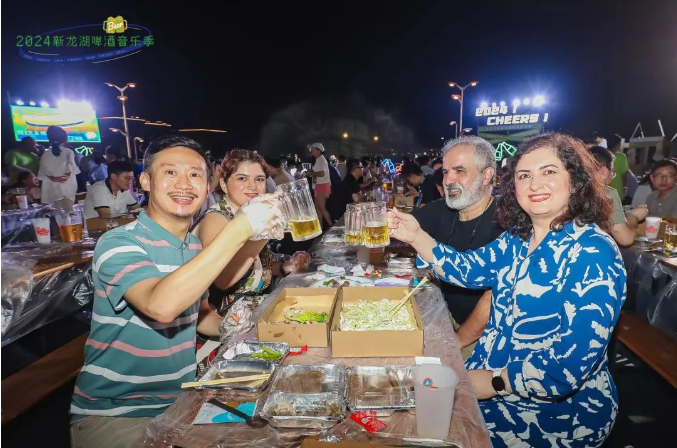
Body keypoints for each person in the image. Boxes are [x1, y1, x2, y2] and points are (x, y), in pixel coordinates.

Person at [390, 133, 625, 448]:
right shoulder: (518, 238)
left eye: (549, 171)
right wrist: (415, 235)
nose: (534, 184)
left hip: (554, 417)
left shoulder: (593, 253)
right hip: (488, 386)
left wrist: (495, 381)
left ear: (575, 180)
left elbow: (568, 367)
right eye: (524, 175)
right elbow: (469, 270)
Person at [70, 136, 284, 448]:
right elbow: (160, 306)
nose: (184, 184)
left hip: (181, 402)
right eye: (170, 172)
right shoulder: (119, 242)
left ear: (207, 185)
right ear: (145, 181)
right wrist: (241, 228)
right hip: (117, 413)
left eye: (195, 174)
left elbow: (201, 315)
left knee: (279, 431)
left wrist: (237, 327)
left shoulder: (193, 246)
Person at [191, 149, 310, 345]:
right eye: (242, 178)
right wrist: (264, 233)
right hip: (220, 333)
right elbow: (223, 280)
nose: (252, 186)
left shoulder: (247, 214)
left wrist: (285, 266)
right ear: (224, 184)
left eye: (259, 179)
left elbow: (251, 267)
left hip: (255, 318)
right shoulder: (217, 218)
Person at [411, 137, 502, 359]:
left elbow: (493, 299)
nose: (448, 180)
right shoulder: (441, 209)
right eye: (445, 172)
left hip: (485, 337)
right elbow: (401, 226)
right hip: (447, 317)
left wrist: (457, 341)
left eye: (460, 171)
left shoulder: (506, 221)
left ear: (487, 175)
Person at [589, 146, 647, 246]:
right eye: (612, 173)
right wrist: (633, 216)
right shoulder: (606, 193)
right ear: (603, 172)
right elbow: (626, 239)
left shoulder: (568, 189)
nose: (612, 177)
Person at [38, 126, 79, 208]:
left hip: (52, 187)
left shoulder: (45, 154)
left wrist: (54, 178)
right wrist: (64, 177)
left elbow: (43, 171)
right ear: (64, 139)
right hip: (67, 186)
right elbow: (70, 168)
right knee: (68, 211)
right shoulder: (69, 152)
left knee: (55, 212)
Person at [306, 142, 333, 227]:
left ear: (319, 151)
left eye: (313, 149)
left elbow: (321, 173)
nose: (311, 150)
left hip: (322, 185)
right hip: (318, 185)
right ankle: (321, 227)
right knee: (318, 208)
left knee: (322, 208)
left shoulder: (322, 160)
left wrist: (311, 173)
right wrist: (311, 173)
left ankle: (331, 225)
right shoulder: (318, 160)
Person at [607, 134, 629, 200]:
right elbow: (624, 177)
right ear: (618, 144)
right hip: (617, 191)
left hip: (604, 192)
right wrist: (622, 188)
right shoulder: (622, 157)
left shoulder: (601, 155)